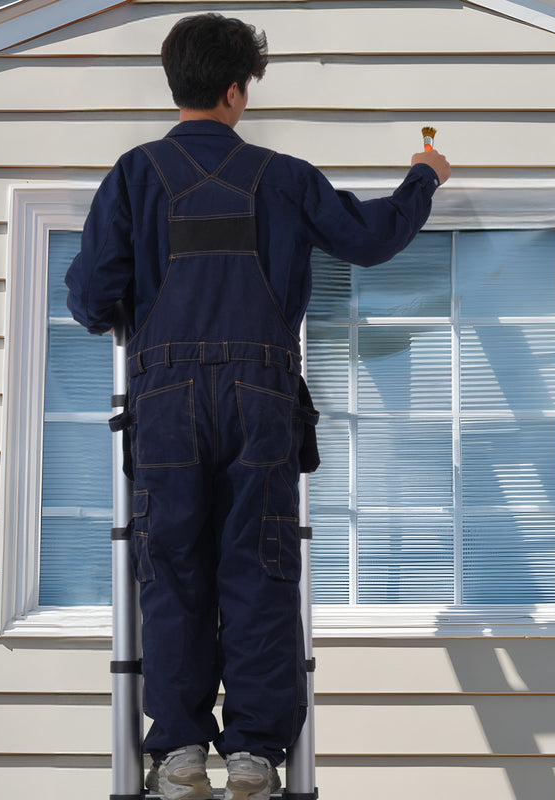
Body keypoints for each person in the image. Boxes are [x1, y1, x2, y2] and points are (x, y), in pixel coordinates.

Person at [65, 12, 450, 800]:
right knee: (261, 567)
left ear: (179, 86)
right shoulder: (284, 176)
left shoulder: (134, 176)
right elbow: (370, 237)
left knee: (170, 572)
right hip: (260, 398)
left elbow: (92, 299)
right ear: (237, 92)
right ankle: (251, 757)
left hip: (165, 402)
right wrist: (424, 178)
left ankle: (176, 757)